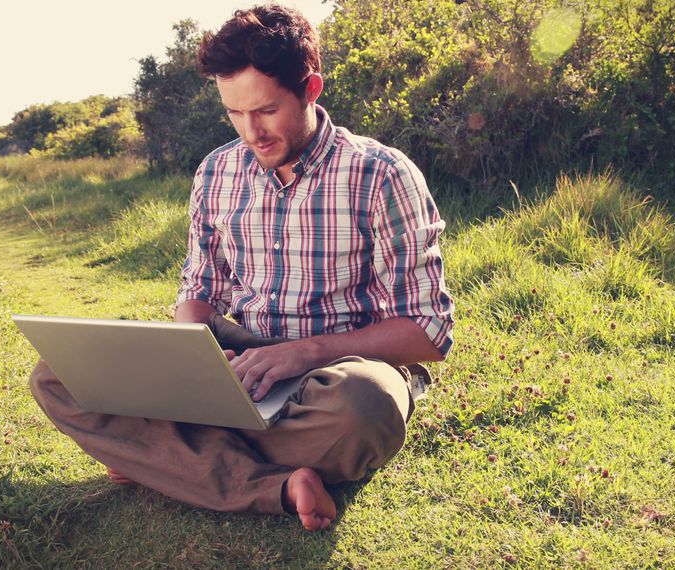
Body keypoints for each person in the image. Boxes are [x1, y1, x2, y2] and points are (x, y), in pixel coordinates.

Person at [28, 3, 454, 532]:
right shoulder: (217, 170)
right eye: (234, 113)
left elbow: (427, 334)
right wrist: (189, 366)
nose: (252, 132)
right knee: (58, 374)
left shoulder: (381, 175)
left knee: (368, 408)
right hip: (238, 359)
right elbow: (200, 287)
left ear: (311, 89)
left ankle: (161, 457)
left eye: (267, 110)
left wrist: (305, 351)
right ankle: (271, 479)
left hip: (336, 369)